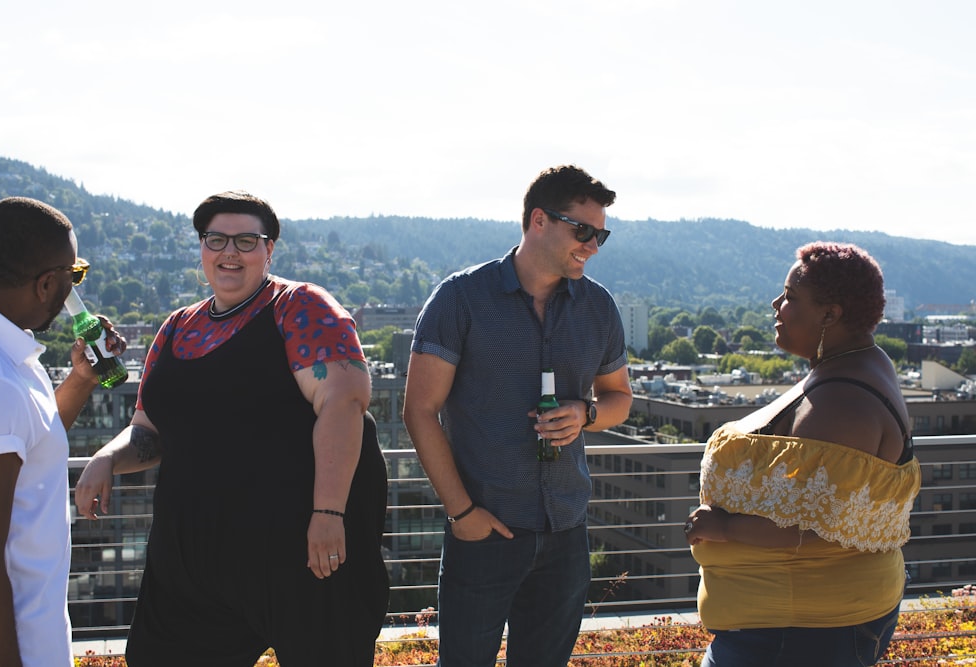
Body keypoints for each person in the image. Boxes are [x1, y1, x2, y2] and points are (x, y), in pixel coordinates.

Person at [74, 190, 389, 666]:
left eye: (246, 241)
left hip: (297, 554)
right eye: (216, 239)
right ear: (201, 247)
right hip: (190, 561)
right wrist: (106, 457)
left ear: (269, 249)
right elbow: (150, 429)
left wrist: (329, 514)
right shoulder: (177, 327)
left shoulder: (300, 307)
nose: (229, 253)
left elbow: (344, 403)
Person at [402, 165, 633, 667]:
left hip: (567, 532)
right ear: (538, 220)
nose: (593, 245)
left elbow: (620, 397)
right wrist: (463, 515)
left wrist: (585, 413)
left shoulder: (599, 307)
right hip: (485, 531)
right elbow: (418, 410)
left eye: (602, 235)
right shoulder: (461, 298)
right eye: (584, 231)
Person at [685, 241, 923, 667]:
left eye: (791, 296)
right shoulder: (859, 364)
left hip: (798, 633)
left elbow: (806, 528)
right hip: (804, 622)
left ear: (830, 314)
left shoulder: (839, 403)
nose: (776, 304)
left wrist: (722, 527)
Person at [0, 197, 125, 667]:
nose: (73, 291)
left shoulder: (3, 353)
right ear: (45, 284)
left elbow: (29, 442)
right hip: (16, 644)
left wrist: (81, 379)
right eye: (73, 276)